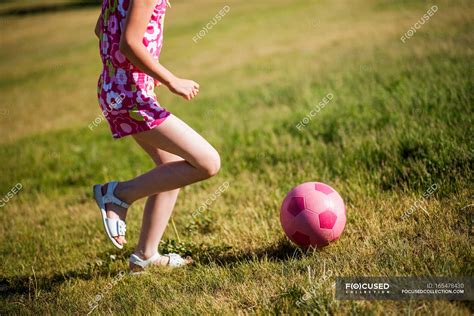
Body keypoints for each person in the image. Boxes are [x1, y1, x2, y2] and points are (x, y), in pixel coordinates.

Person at [93, 0, 220, 272]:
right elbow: (129, 42)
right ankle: (118, 195)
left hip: (117, 90)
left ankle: (145, 255)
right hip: (130, 96)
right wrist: (171, 79)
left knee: (171, 166)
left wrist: (136, 74)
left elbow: (101, 29)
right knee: (207, 162)